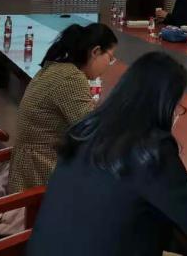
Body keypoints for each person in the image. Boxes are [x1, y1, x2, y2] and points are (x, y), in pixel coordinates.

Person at [28, 51, 187, 256]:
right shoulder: (151, 149)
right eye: (177, 106)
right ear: (164, 104)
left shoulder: (87, 129)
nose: (176, 113)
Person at [8, 23, 118, 193]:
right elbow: (93, 134)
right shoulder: (71, 78)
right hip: (40, 171)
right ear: (96, 51)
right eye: (110, 58)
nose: (109, 64)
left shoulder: (57, 68)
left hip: (28, 166)